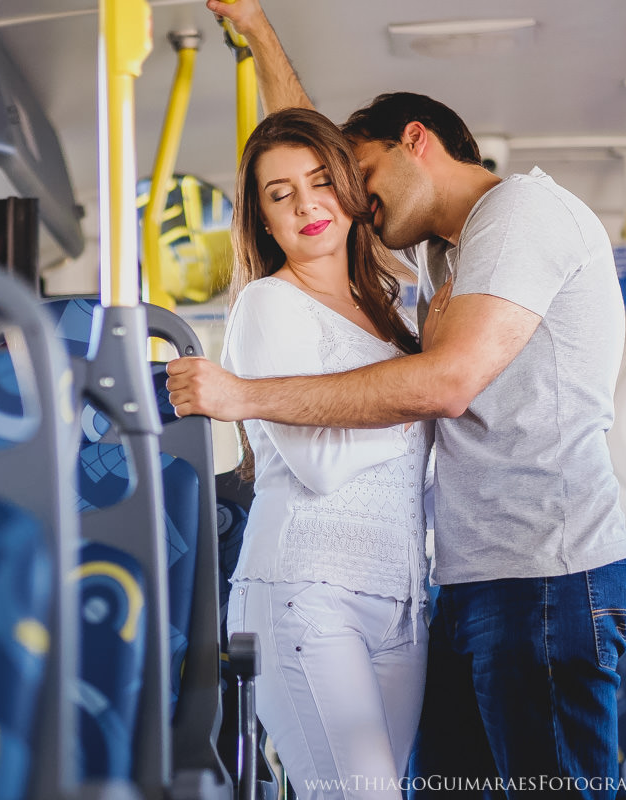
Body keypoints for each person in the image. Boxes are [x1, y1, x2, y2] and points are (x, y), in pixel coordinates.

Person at [167, 2, 626, 798]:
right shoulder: (441, 256)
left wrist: (245, 396)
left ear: (415, 140)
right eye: (304, 191)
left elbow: (446, 385)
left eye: (360, 177)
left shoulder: (520, 213)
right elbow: (305, 160)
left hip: (547, 578)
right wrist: (258, 31)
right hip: (469, 584)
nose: (348, 198)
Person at [223, 105, 430, 800]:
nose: (307, 205)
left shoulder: (391, 311)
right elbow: (320, 462)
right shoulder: (268, 304)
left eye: (320, 182)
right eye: (281, 195)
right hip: (305, 590)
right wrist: (417, 400)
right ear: (264, 219)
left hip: (401, 599)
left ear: (348, 187)